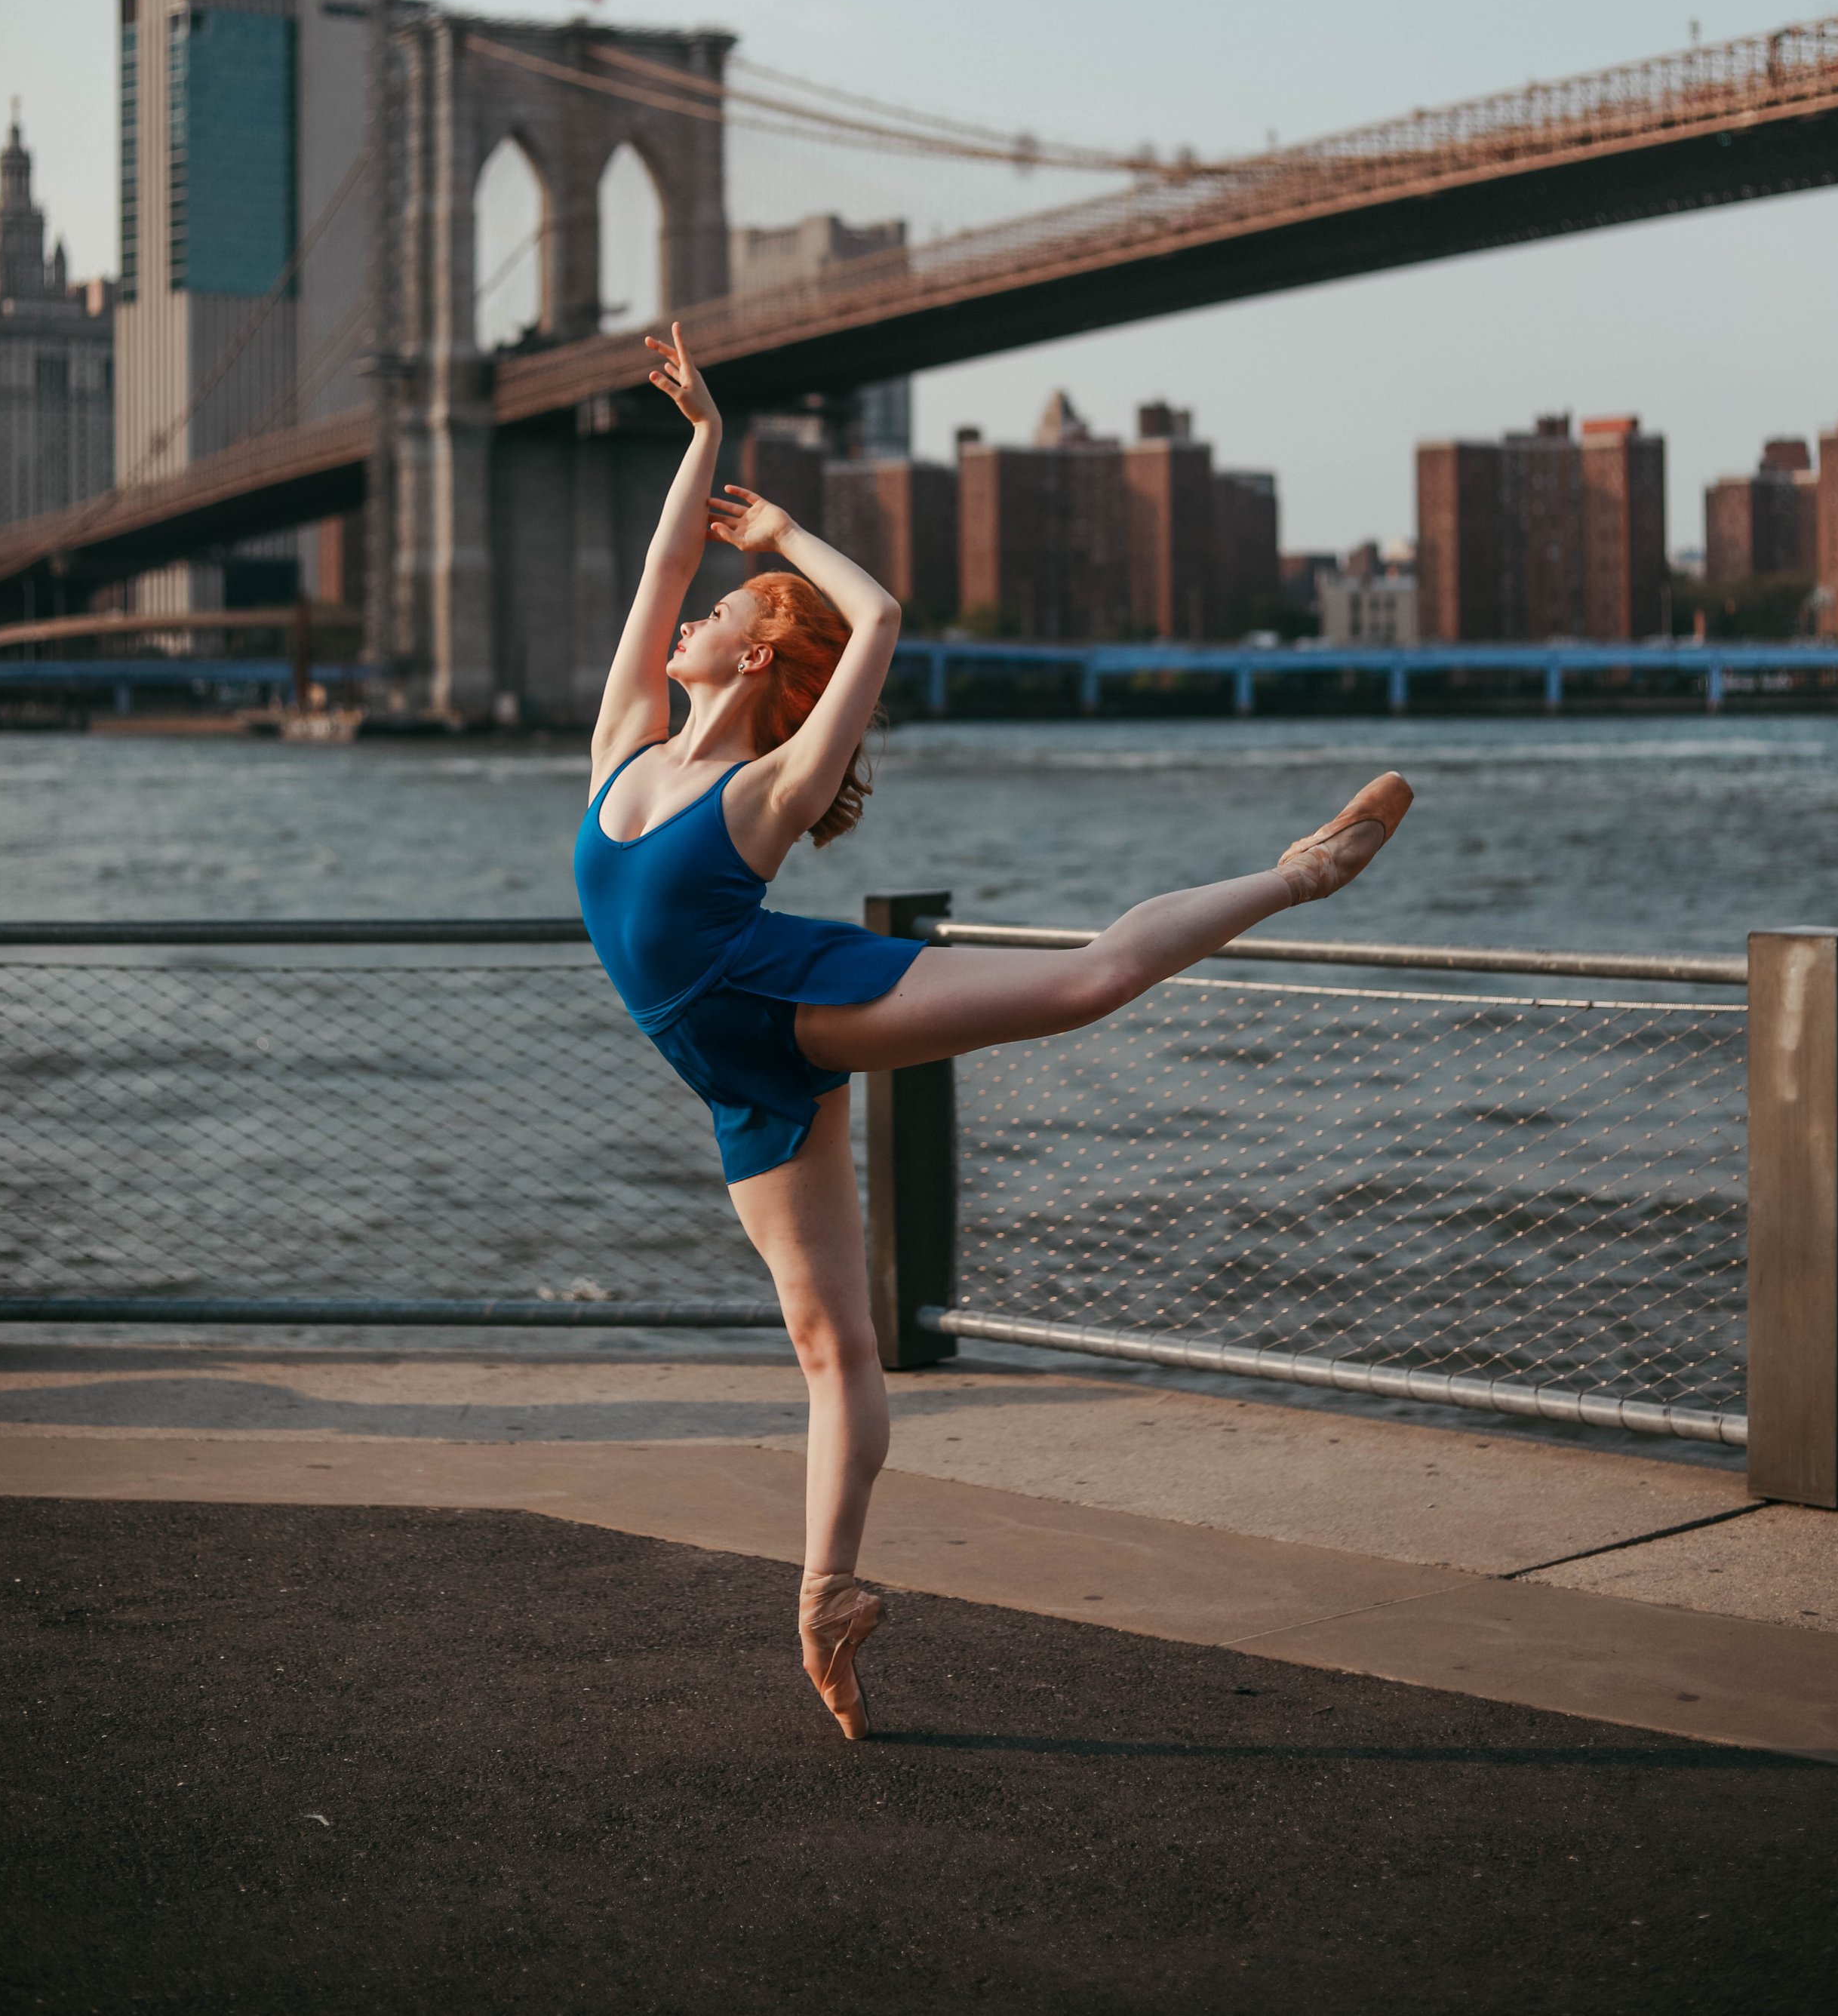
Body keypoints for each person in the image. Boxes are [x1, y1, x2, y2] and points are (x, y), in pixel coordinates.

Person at [574, 323, 1412, 1741]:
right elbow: (660, 570)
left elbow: (880, 621)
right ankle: (836, 1604)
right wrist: (704, 437)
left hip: (792, 1002)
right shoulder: (624, 745)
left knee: (1085, 983)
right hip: (727, 1069)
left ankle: (1301, 871)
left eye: (724, 605)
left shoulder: (767, 790)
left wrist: (786, 534)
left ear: (759, 646)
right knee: (833, 1345)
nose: (686, 615)